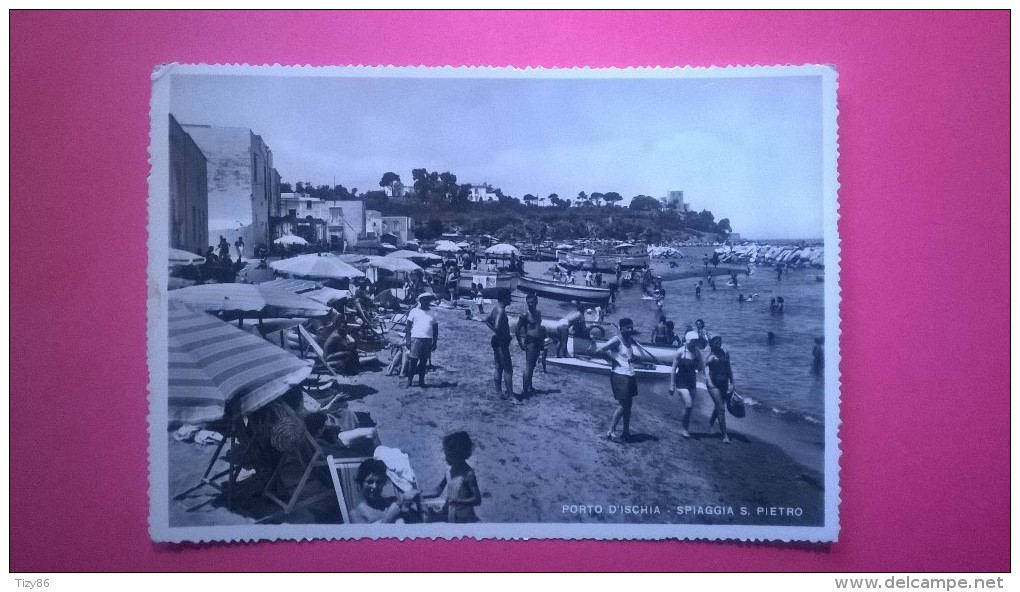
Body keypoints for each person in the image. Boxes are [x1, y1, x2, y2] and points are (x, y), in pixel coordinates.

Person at [594, 317, 641, 443]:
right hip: (619, 375)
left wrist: (634, 359)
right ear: (621, 328)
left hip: (630, 374)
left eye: (631, 327)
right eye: (627, 327)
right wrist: (612, 360)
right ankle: (611, 431)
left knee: (629, 405)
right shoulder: (616, 340)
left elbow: (626, 355)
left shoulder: (629, 339)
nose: (630, 329)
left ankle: (626, 431)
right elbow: (599, 350)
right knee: (623, 405)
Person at [424, 431, 482, 523]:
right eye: (446, 454)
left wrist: (458, 501)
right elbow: (437, 491)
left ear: (459, 456)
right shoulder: (449, 471)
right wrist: (420, 494)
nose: (446, 458)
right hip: (452, 516)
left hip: (465, 521)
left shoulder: (468, 474)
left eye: (449, 456)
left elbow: (477, 500)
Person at [349, 458, 421, 524]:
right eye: (370, 482)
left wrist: (414, 503)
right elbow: (370, 538)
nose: (375, 486)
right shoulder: (356, 513)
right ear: (361, 483)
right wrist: (390, 515)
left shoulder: (393, 501)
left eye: (379, 482)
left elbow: (417, 524)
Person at [669, 331, 708, 439]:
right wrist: (672, 384)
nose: (695, 343)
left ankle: (685, 428)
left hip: (692, 381)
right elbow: (673, 368)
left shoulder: (697, 352)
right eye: (694, 341)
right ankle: (684, 429)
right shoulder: (680, 352)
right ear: (688, 341)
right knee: (689, 404)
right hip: (680, 381)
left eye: (696, 341)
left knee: (689, 408)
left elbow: (702, 366)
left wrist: (706, 378)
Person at [485, 289, 519, 403]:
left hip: (497, 341)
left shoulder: (495, 309)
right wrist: (503, 334)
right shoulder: (501, 311)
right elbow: (497, 325)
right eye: (509, 298)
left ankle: (499, 392)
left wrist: (497, 332)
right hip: (501, 343)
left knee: (498, 367)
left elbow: (487, 320)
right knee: (508, 369)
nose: (510, 300)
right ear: (504, 299)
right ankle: (511, 395)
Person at [403, 293, 438, 388]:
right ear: (420, 301)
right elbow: (408, 327)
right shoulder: (414, 311)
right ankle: (409, 381)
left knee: (423, 362)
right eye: (424, 300)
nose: (426, 302)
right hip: (416, 339)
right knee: (413, 361)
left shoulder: (433, 312)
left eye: (428, 300)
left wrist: (434, 342)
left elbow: (435, 329)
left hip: (428, 340)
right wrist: (408, 340)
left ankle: (421, 382)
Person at [705, 336, 736, 443]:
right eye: (716, 342)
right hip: (712, 384)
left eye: (720, 342)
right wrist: (709, 359)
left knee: (719, 406)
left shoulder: (725, 352)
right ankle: (724, 435)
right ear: (711, 343)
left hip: (724, 383)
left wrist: (732, 383)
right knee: (721, 408)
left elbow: (729, 368)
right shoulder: (709, 354)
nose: (718, 344)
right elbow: (702, 367)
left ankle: (710, 423)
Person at [515, 293, 545, 398]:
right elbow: (517, 329)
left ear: (536, 302)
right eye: (528, 303)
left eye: (532, 302)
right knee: (528, 366)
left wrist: (542, 342)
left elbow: (539, 328)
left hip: (537, 342)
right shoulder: (525, 315)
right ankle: (525, 391)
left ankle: (530, 386)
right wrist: (520, 343)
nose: (530, 304)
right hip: (530, 342)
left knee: (532, 366)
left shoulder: (538, 313)